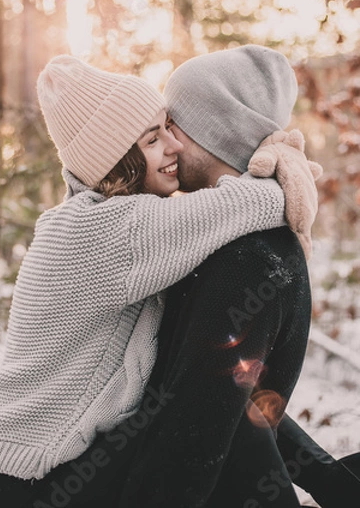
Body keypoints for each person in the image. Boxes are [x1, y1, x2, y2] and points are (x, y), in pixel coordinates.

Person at [0, 51, 317, 508]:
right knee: (227, 432)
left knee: (232, 425)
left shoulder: (122, 224)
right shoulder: (105, 231)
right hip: (33, 477)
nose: (174, 147)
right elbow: (245, 205)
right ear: (118, 158)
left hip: (49, 462)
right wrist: (288, 167)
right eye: (154, 138)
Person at [114, 46, 360, 508]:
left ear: (213, 133)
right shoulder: (234, 240)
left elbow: (191, 444)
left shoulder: (246, 259)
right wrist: (329, 479)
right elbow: (246, 401)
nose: (165, 142)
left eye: (173, 125)